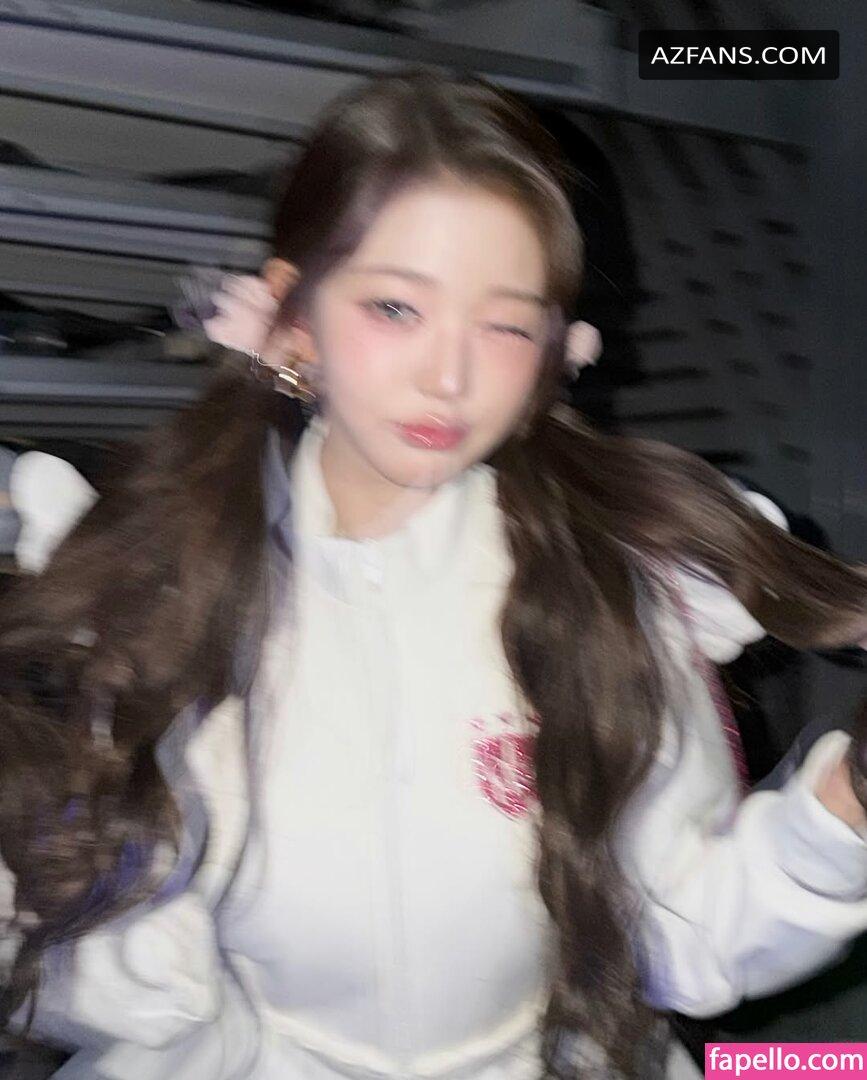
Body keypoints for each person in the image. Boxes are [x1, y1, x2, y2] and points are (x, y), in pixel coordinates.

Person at [1, 69, 866, 1080]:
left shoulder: (614, 592)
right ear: (292, 316)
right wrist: (122, 948)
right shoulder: (142, 589)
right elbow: (55, 947)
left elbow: (681, 938)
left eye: (505, 324)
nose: (448, 377)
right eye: (396, 307)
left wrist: (842, 811)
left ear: (553, 348)